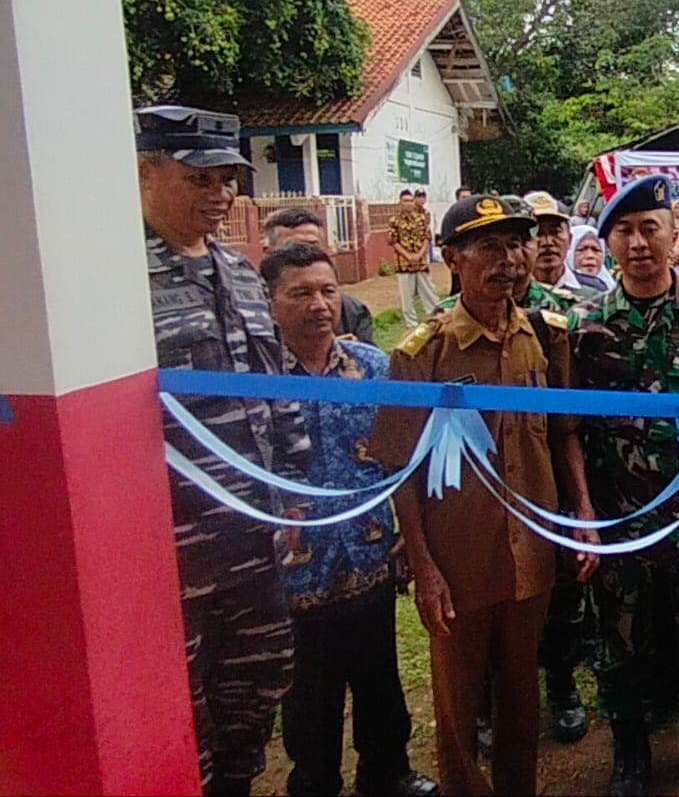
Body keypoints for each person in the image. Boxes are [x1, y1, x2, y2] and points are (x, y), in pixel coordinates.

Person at [368, 195, 600, 796]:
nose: (511, 260)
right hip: (459, 557)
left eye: (518, 244)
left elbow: (564, 433)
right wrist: (424, 566)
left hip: (533, 555)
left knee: (522, 695)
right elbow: (400, 466)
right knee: (459, 705)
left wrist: (583, 513)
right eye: (489, 247)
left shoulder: (547, 338)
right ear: (452, 258)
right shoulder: (424, 354)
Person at [137, 104, 309, 796]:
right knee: (177, 700)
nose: (219, 194)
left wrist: (295, 487)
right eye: (199, 178)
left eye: (228, 179)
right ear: (147, 171)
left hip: (252, 534)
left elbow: (277, 386)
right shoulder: (111, 280)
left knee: (257, 680)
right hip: (169, 547)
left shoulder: (240, 273)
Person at [567, 175, 679, 796]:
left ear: (674, 236)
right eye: (624, 232)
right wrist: (585, 511)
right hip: (619, 518)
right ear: (608, 241)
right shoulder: (582, 326)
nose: (638, 243)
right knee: (619, 641)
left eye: (650, 229)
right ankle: (631, 752)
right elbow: (570, 429)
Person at [261, 243, 438, 797]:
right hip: (296, 568)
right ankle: (315, 777)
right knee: (309, 690)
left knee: (379, 676)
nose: (319, 304)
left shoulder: (375, 369)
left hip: (368, 554)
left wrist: (413, 535)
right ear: (270, 303)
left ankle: (387, 771)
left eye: (328, 290)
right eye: (301, 293)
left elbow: (408, 457)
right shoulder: (252, 378)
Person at [263, 206, 376, 344]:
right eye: (293, 247)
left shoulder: (352, 311)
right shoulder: (247, 311)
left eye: (313, 247)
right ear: (268, 252)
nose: (304, 255)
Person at [387, 191, 439, 327]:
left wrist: (419, 255)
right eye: (405, 201)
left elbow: (427, 238)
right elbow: (393, 241)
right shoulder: (394, 220)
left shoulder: (421, 218)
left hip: (421, 263)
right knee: (407, 296)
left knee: (428, 291)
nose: (408, 203)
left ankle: (436, 317)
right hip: (403, 264)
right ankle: (411, 324)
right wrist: (408, 256)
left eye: (410, 200)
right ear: (400, 202)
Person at [567, 224, 615, 291]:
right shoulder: (561, 288)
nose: (590, 255)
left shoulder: (610, 285)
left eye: (596, 249)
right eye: (581, 249)